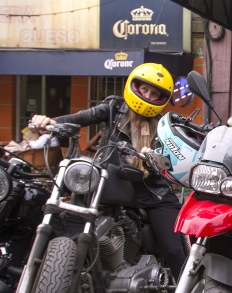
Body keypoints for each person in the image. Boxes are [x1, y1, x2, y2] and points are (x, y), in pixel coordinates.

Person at [29, 63, 186, 281]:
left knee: (174, 249)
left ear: (161, 99)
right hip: (108, 182)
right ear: (134, 86)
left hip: (151, 192)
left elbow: (172, 161)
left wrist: (155, 158)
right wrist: (51, 122)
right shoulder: (114, 107)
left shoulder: (163, 127)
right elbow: (81, 118)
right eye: (145, 89)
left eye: (155, 93)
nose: (148, 95)